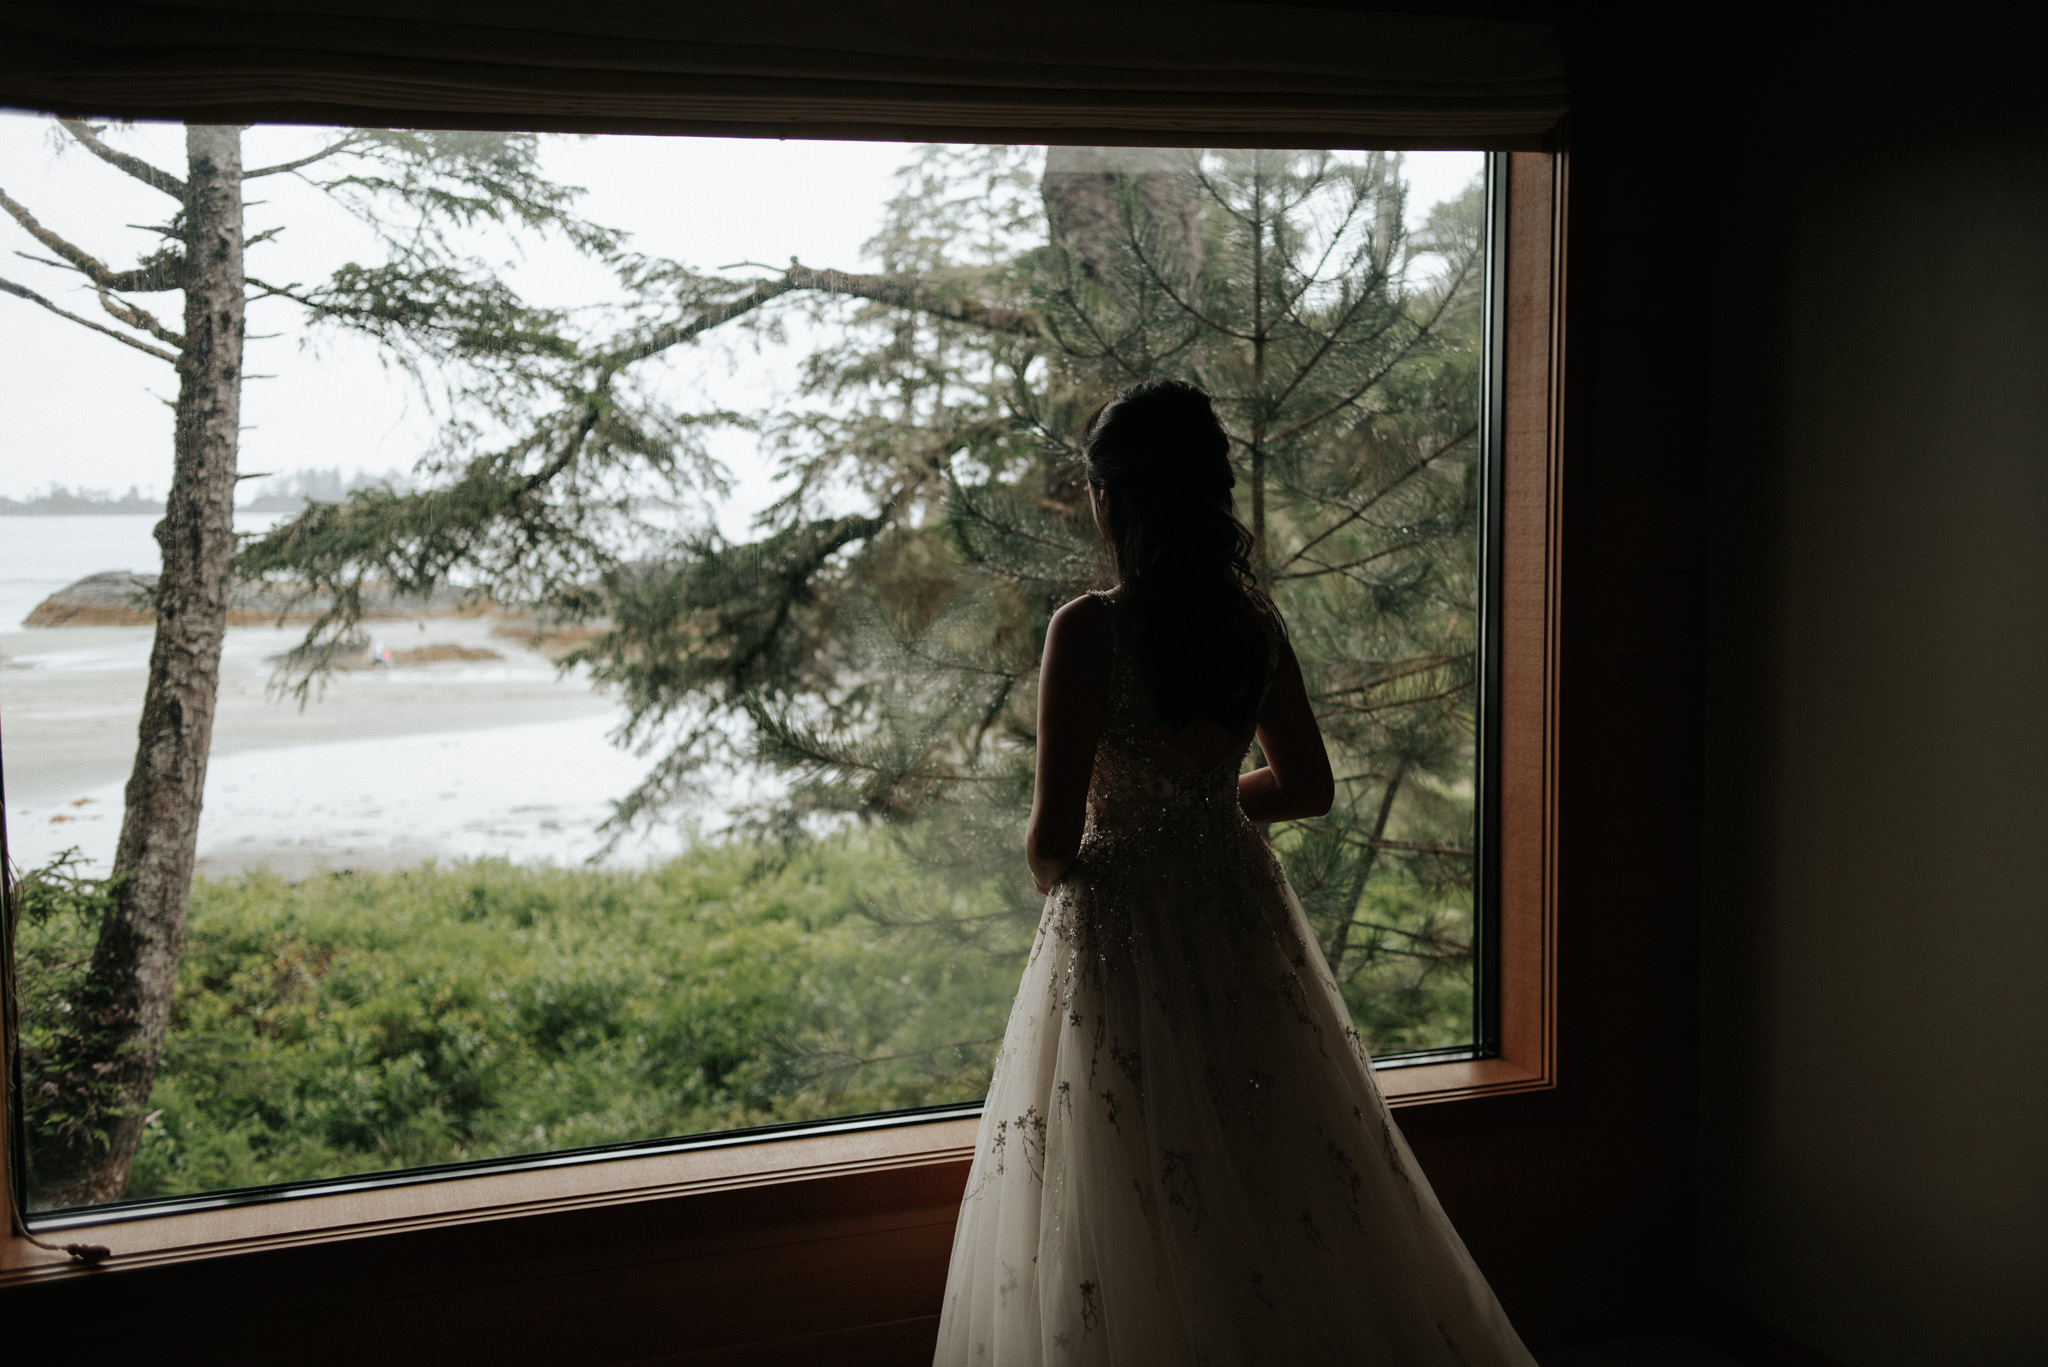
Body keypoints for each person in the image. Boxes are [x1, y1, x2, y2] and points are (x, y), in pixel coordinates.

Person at [933, 380, 1536, 1365]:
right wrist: (1201, 812)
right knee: (1276, 1161)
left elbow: (1049, 843)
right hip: (1236, 909)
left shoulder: (1086, 628)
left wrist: (1118, 838)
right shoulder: (1250, 621)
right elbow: (1306, 786)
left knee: (1127, 1175)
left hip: (1121, 925)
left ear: (1110, 497)